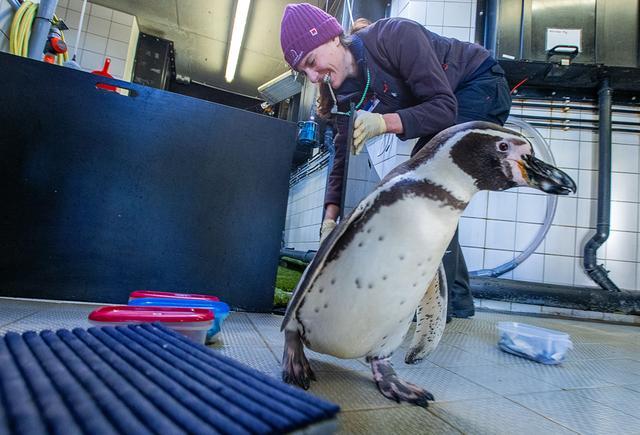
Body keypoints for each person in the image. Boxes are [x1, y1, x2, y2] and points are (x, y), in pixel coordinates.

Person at [280, 3, 511, 319]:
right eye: (303, 72)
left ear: (333, 37)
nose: (311, 75)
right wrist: (330, 217)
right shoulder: (345, 93)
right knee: (430, 189)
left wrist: (382, 122)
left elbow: (443, 107)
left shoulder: (394, 36)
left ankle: (428, 303)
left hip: (481, 86)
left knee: (426, 186)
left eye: (310, 62)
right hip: (455, 103)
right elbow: (343, 155)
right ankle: (455, 298)